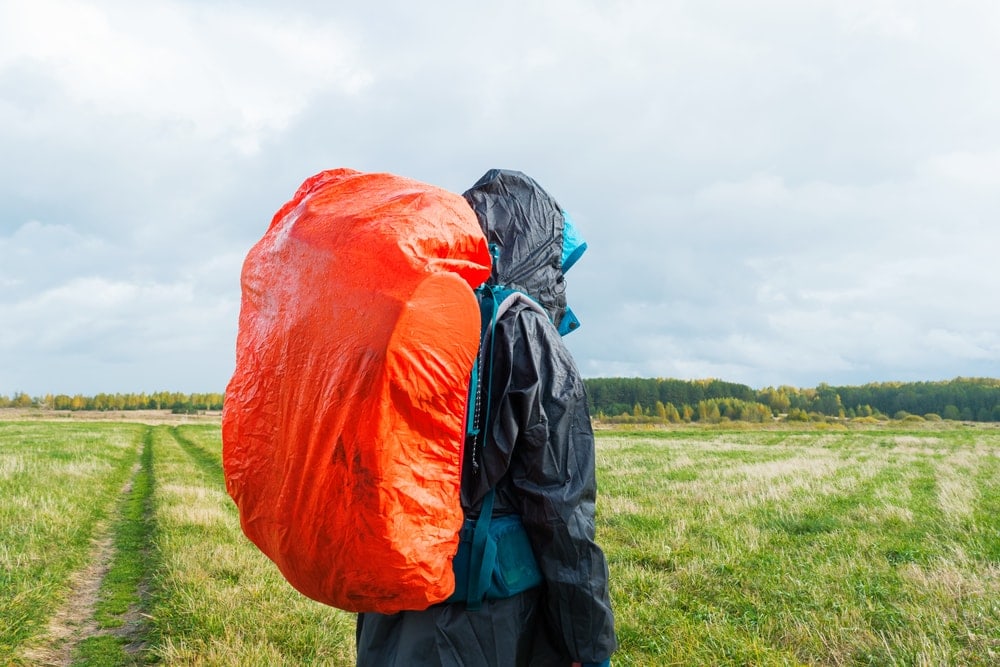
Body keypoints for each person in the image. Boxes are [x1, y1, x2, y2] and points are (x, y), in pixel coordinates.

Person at [355, 169, 617, 666]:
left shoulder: (404, 319)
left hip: (392, 595)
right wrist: (589, 644)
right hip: (486, 613)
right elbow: (562, 514)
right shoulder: (524, 331)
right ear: (535, 251)